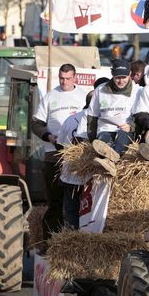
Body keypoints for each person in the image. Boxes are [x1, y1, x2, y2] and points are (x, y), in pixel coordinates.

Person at [32, 64, 87, 238]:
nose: (64, 82)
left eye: (68, 78)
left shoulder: (83, 96)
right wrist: (48, 136)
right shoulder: (50, 96)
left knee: (74, 199)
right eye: (61, 78)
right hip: (53, 155)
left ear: (75, 78)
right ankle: (49, 241)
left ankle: (74, 236)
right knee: (54, 201)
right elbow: (36, 123)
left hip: (76, 156)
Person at [87, 60, 139, 156]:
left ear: (130, 74)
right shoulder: (100, 90)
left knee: (122, 140)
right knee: (103, 140)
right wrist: (92, 139)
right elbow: (92, 116)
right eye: (117, 78)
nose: (121, 81)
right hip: (105, 129)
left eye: (124, 77)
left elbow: (141, 116)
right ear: (112, 74)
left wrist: (131, 127)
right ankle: (108, 158)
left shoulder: (137, 91)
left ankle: (113, 160)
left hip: (125, 130)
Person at [57, 91, 92, 230]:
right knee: (88, 211)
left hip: (71, 174)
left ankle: (72, 234)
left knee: (71, 210)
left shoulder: (70, 120)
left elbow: (60, 145)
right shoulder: (100, 120)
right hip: (89, 176)